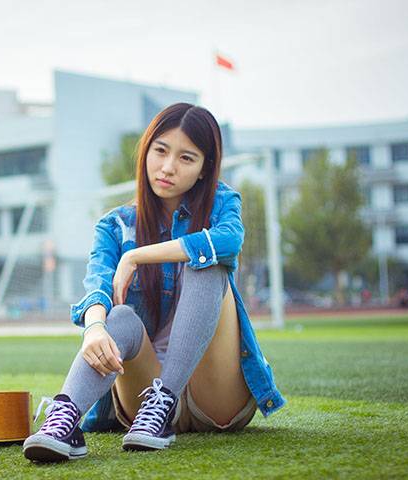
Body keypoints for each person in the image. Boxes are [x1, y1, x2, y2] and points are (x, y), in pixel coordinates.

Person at [22, 103, 286, 463]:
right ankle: (66, 418)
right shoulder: (115, 225)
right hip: (142, 405)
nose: (167, 167)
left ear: (204, 168)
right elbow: (97, 281)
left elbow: (229, 241)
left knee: (206, 262)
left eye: (186, 158)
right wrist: (95, 328)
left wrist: (136, 256)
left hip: (217, 397)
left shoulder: (222, 202)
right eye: (160, 150)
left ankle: (167, 399)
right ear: (146, 150)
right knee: (118, 319)